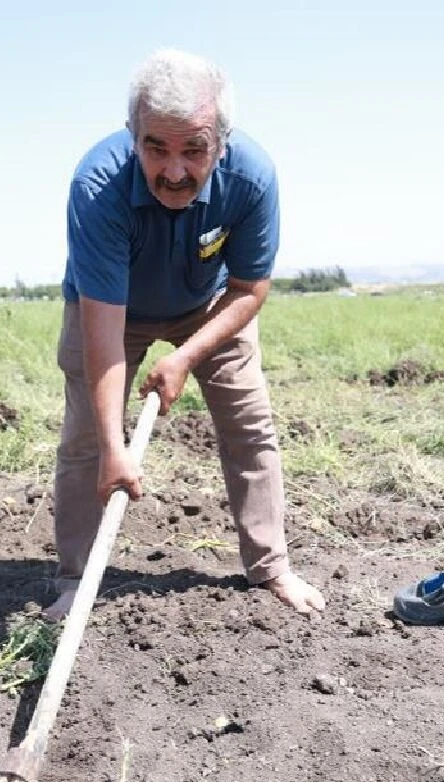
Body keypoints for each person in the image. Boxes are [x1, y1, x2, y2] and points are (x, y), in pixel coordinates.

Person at [45, 48, 326, 621]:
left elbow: (249, 288)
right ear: (133, 136)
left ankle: (271, 566)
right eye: (156, 148)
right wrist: (114, 449)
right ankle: (75, 579)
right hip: (113, 310)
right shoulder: (98, 186)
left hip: (210, 303)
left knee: (250, 427)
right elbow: (102, 333)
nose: (174, 171)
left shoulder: (251, 177)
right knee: (86, 442)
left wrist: (187, 358)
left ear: (220, 141)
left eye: (193, 149)